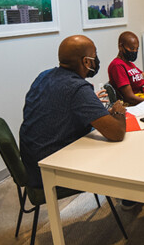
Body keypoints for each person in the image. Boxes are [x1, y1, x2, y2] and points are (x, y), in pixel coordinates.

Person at [19, 35, 127, 188]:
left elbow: (59, 103)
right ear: (86, 61)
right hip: (51, 168)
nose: (96, 60)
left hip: (31, 161)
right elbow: (117, 133)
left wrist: (88, 101)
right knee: (119, 149)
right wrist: (118, 111)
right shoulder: (77, 88)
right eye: (94, 55)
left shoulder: (44, 76)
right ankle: (128, 196)